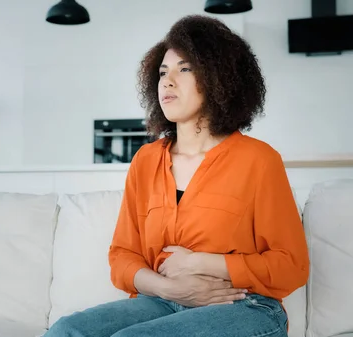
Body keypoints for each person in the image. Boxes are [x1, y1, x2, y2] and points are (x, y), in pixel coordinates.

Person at [44, 14, 309, 337]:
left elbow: (291, 265)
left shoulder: (258, 160)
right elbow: (123, 256)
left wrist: (202, 263)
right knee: (67, 330)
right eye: (162, 73)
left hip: (245, 306)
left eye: (184, 69)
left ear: (218, 77)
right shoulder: (146, 160)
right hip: (163, 300)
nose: (168, 82)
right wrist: (170, 289)